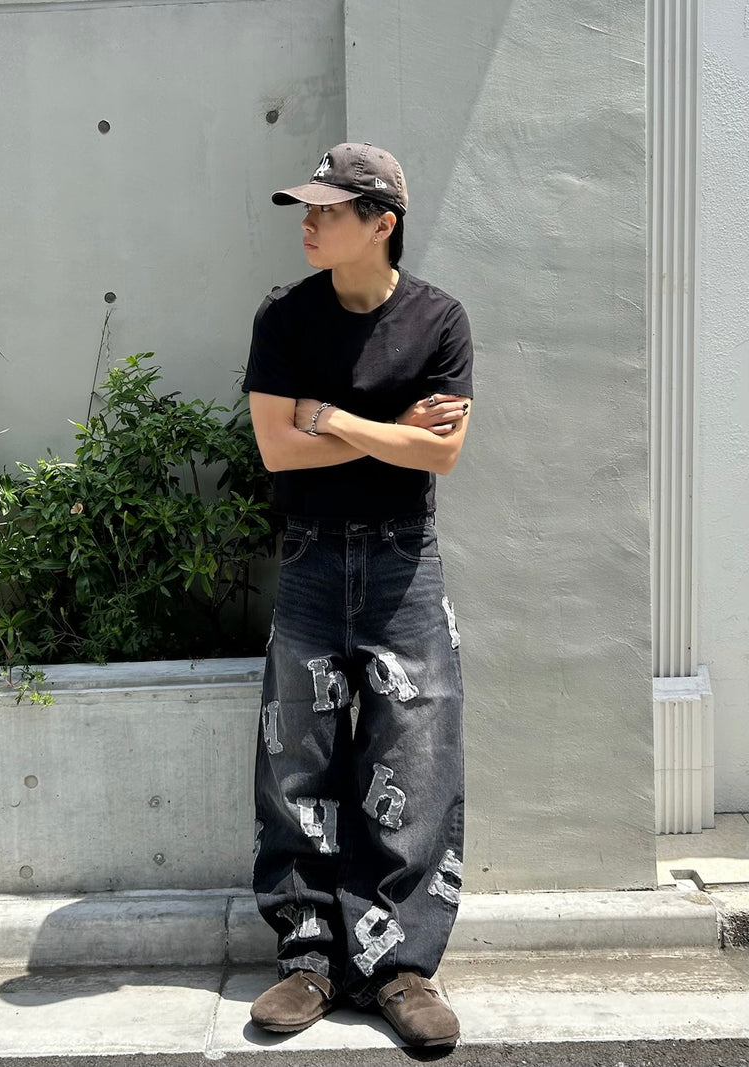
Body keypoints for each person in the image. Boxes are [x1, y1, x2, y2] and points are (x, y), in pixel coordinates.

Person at [242, 142, 474, 1048]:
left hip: (402, 562)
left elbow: (442, 453)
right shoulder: (285, 317)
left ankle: (398, 966)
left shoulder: (439, 320)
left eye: (328, 211)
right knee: (296, 761)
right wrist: (388, 429)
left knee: (414, 759)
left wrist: (333, 418)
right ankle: (308, 960)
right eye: (307, 209)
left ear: (382, 223)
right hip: (311, 558)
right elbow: (278, 448)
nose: (308, 223)